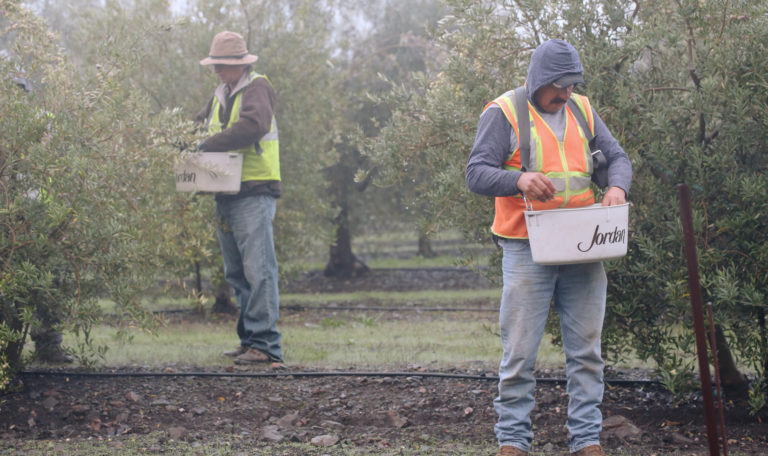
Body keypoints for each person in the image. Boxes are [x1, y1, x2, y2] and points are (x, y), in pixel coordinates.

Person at [466, 39, 632, 456]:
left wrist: (615, 186)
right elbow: (476, 173)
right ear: (538, 79)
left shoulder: (582, 109)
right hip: (525, 248)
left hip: (583, 244)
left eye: (572, 85)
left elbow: (616, 157)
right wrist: (518, 180)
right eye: (558, 85)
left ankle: (587, 442)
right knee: (520, 353)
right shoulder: (502, 112)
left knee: (587, 351)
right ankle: (514, 443)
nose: (565, 94)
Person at [195, 31, 283, 367]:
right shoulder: (221, 92)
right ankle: (250, 340)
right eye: (215, 64)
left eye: (221, 64)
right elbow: (198, 125)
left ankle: (265, 345)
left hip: (254, 191)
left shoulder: (257, 87)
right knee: (237, 272)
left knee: (258, 270)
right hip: (226, 192)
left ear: (238, 64)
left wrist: (205, 145)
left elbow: (253, 126)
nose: (216, 70)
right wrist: (174, 138)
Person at [11, 76, 73, 364]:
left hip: (40, 217)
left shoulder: (41, 123)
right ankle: (8, 350)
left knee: (49, 283)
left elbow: (51, 156)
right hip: (9, 222)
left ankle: (49, 345)